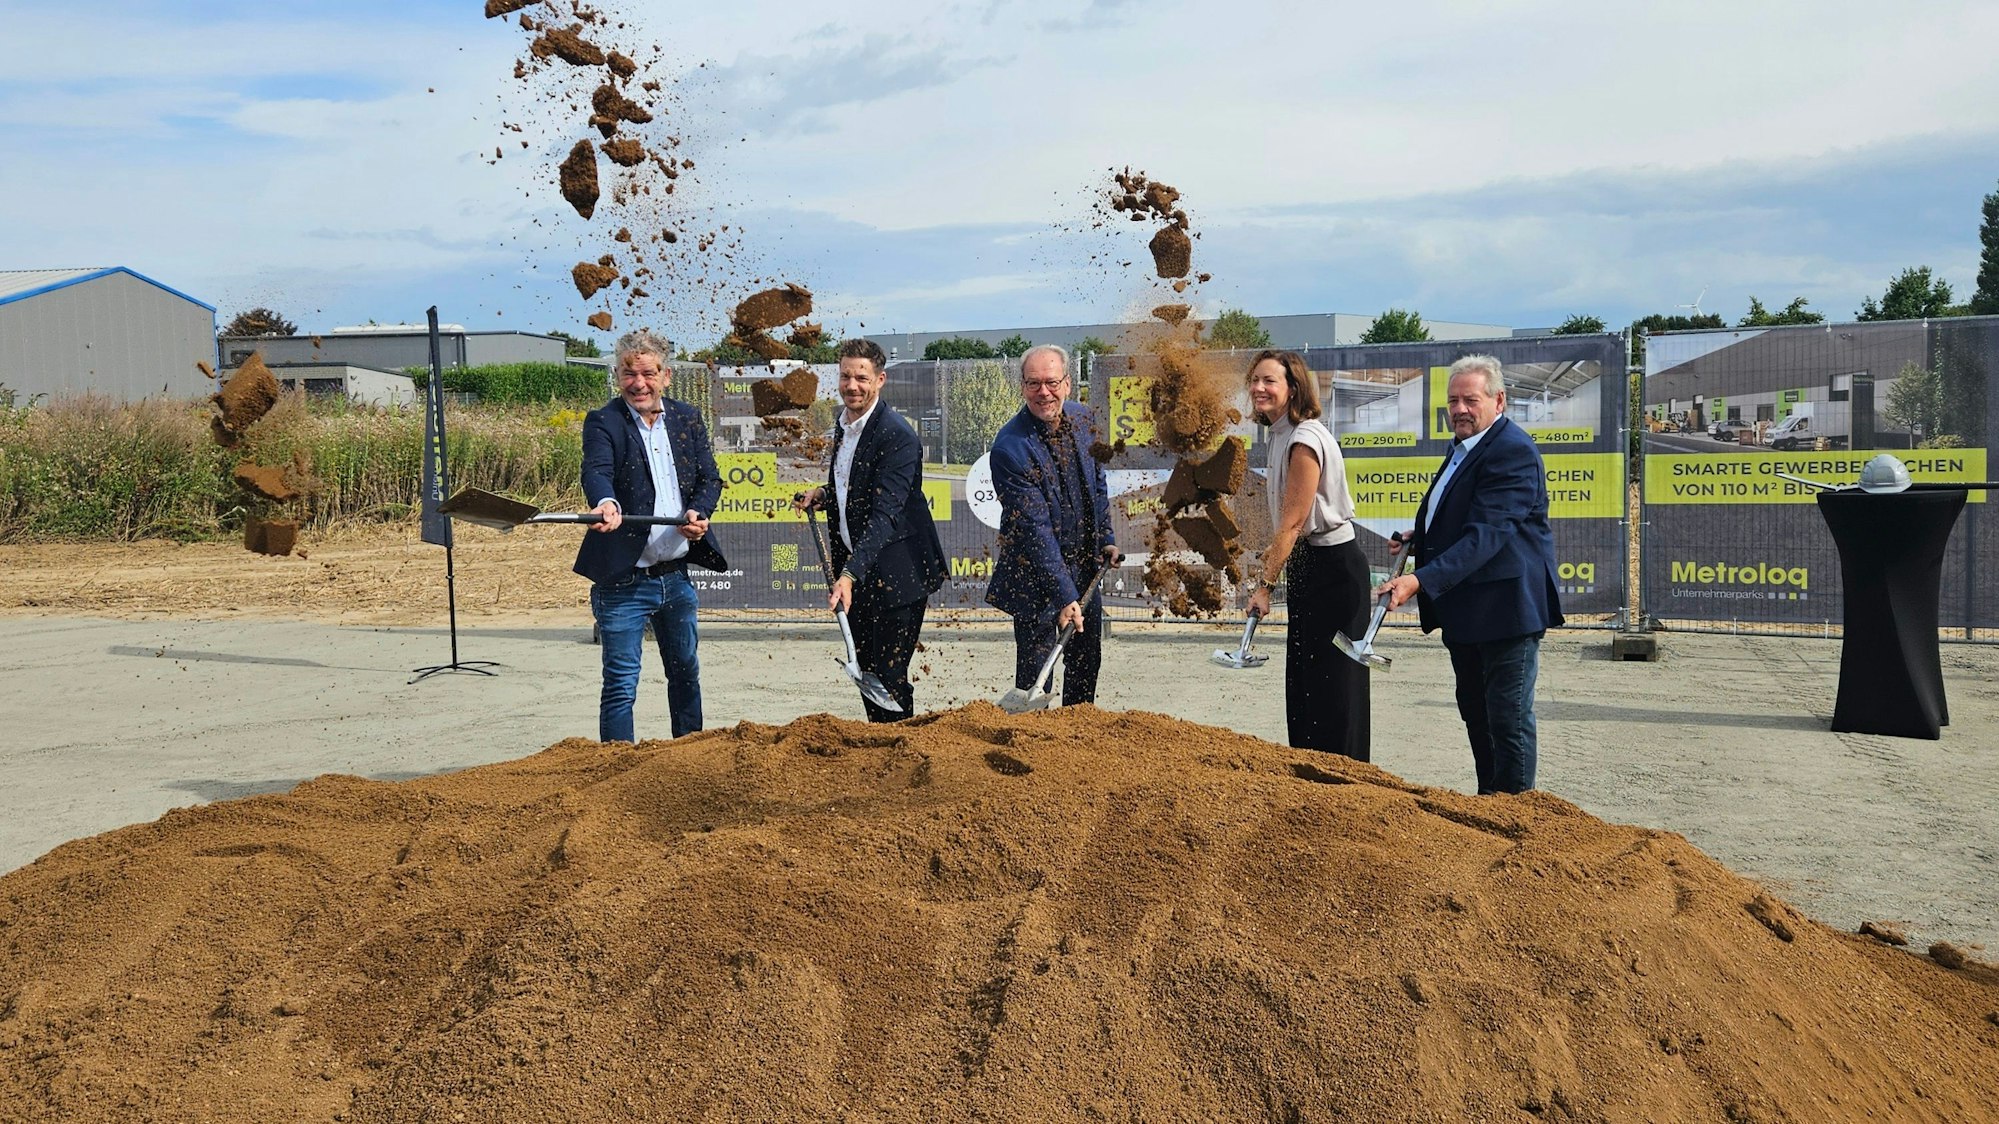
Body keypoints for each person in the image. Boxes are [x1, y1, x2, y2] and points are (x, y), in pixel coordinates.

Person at [1377, 354, 1563, 795]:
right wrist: (1419, 537)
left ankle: (1516, 816)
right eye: (1453, 401)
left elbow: (1487, 535)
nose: (1459, 409)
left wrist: (1419, 580)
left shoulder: (1512, 451)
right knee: (1477, 716)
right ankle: (1488, 804)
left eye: (1470, 400)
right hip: (1469, 612)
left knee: (1508, 720)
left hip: (1506, 612)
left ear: (1499, 401)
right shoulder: (1464, 446)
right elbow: (1460, 515)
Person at [574, 329, 727, 742]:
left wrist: (699, 512)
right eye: (629, 374)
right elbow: (597, 471)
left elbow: (709, 479)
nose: (638, 383)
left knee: (685, 673)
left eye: (648, 373)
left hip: (675, 578)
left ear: (666, 376)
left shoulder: (687, 418)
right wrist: (605, 502)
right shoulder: (604, 421)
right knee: (621, 683)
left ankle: (689, 758)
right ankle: (618, 766)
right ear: (617, 375)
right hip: (623, 582)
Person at [794, 339, 947, 721]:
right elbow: (856, 486)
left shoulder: (897, 435)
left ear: (880, 380)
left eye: (861, 378)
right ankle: (880, 742)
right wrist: (824, 494)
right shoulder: (845, 425)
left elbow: (886, 514)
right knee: (866, 671)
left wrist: (848, 576)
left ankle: (900, 747)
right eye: (845, 376)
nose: (852, 386)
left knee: (889, 677)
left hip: (899, 573)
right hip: (860, 573)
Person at [1242, 350, 1371, 759]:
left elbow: (1293, 524)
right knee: (1305, 682)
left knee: (1335, 687)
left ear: (1293, 388)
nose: (1258, 388)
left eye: (1269, 381)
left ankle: (1344, 778)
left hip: (1335, 572)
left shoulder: (1304, 440)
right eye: (1255, 380)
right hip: (1311, 567)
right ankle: (1310, 774)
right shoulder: (1280, 434)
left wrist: (1265, 587)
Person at [986, 344, 1119, 705]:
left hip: (1084, 570)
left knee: (1085, 666)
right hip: (1035, 578)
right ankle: (1031, 736)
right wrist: (1064, 596)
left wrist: (1105, 537)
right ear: (1022, 387)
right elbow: (1035, 531)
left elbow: (1097, 483)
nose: (1043, 392)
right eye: (1033, 383)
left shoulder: (1083, 419)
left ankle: (1077, 736)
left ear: (1067, 384)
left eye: (1051, 382)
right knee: (1035, 681)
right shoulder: (1009, 448)